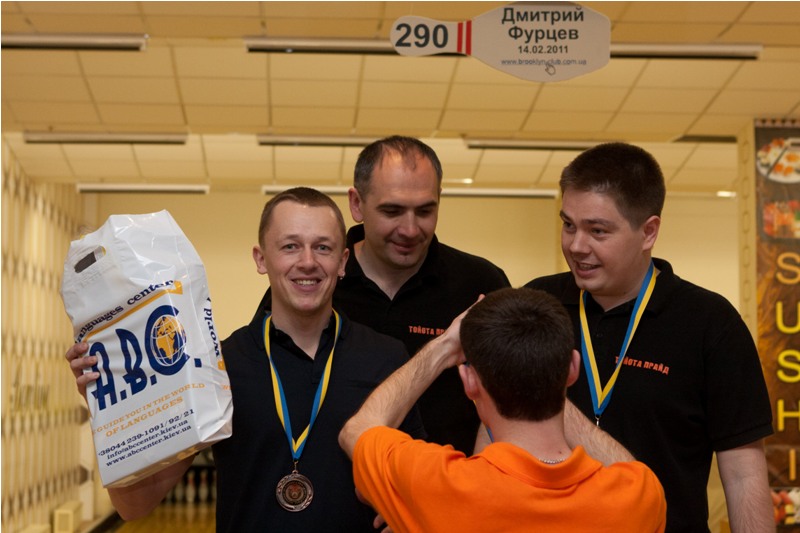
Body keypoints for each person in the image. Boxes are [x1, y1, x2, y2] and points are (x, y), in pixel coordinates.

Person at [66, 187, 425, 532]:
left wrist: (410, 515)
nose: (307, 262)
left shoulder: (386, 358)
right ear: (261, 259)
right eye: (290, 246)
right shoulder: (217, 367)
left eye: (323, 247)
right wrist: (105, 408)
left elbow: (417, 482)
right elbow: (133, 505)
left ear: (343, 262)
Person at [524, 142, 774, 532]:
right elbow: (494, 433)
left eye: (597, 231)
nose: (576, 245)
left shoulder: (710, 323)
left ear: (648, 232)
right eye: (569, 224)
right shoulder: (536, 303)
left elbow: (743, 473)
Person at [254, 136, 510, 455]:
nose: (410, 229)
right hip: (328, 480)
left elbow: (511, 400)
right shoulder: (311, 284)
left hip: (442, 481)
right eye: (392, 211)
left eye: (425, 211)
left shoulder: (479, 284)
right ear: (357, 204)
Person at [339, 287, 667, 533]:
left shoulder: (435, 485)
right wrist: (544, 376)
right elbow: (630, 468)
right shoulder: (637, 495)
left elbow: (358, 429)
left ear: (469, 382)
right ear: (572, 368)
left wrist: (445, 346)